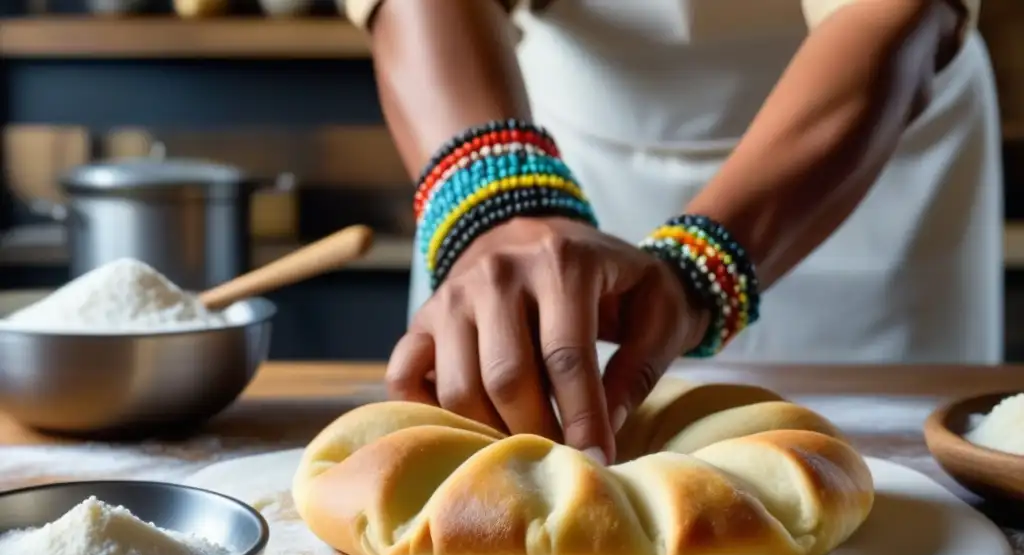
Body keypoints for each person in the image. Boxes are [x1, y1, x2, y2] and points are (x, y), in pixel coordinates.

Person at [342, 0, 1000, 466]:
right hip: (550, 131)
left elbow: (894, 12)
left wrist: (700, 269)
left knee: (892, 483)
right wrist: (502, 208)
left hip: (866, 147)